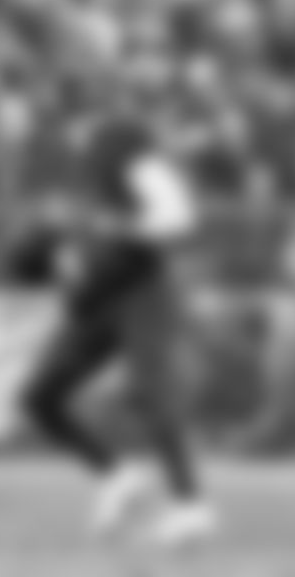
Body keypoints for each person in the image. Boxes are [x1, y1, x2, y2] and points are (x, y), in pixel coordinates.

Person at [19, 115, 218, 548]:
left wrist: (119, 231)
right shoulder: (73, 163)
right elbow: (58, 245)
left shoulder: (119, 143)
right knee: (40, 397)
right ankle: (116, 475)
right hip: (99, 292)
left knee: (153, 394)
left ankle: (191, 506)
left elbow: (175, 216)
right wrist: (51, 253)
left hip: (138, 286)